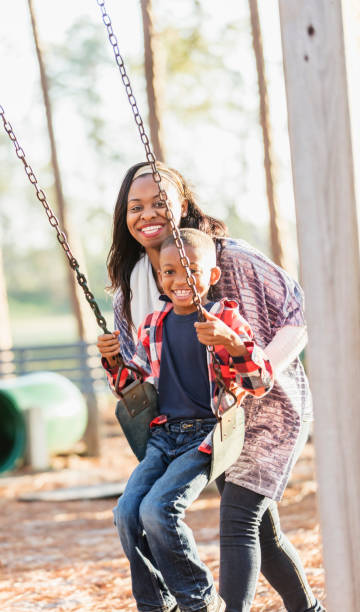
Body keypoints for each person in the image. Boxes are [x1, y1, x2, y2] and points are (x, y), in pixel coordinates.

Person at [103, 161, 325, 611]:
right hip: (198, 422)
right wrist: (114, 365)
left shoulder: (226, 258)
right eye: (135, 206)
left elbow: (298, 313)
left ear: (182, 204)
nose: (147, 214)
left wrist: (259, 363)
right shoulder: (131, 288)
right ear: (123, 217)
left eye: (159, 202)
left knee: (239, 520)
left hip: (268, 407)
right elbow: (136, 374)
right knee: (263, 532)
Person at [98, 228, 274, 612]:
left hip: (205, 438)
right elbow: (134, 386)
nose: (180, 280)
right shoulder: (152, 325)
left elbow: (261, 382)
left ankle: (200, 600)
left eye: (191, 270)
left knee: (158, 510)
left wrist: (231, 342)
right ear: (160, 276)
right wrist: (113, 360)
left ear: (211, 276)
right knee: (127, 513)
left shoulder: (226, 319)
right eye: (170, 272)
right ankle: (156, 602)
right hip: (163, 437)